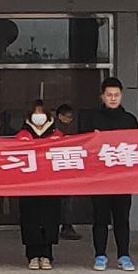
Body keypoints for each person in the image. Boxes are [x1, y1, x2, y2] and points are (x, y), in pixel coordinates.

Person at [88, 77, 138, 272]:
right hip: (99, 177)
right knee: (100, 218)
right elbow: (83, 146)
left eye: (116, 95)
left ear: (121, 96)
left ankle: (124, 256)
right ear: (102, 96)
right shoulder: (93, 119)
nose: (113, 98)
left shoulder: (129, 120)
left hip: (122, 178)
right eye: (109, 95)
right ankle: (100, 255)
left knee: (122, 218)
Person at [17, 101, 62, 269]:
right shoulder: (23, 134)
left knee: (49, 219)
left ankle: (47, 255)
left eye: (41, 112)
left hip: (50, 185)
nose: (38, 116)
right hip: (28, 185)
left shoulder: (57, 134)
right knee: (30, 219)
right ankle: (32, 255)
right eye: (35, 113)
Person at [53, 102, 83, 240]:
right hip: (57, 169)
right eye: (67, 116)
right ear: (60, 116)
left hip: (67, 168)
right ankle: (64, 226)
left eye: (71, 117)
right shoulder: (54, 130)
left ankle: (66, 226)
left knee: (66, 200)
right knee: (62, 201)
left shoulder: (71, 129)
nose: (69, 119)